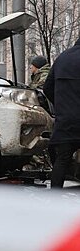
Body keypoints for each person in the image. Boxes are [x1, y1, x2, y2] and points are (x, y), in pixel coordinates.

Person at [43, 38, 80, 188]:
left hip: (66, 120)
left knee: (62, 159)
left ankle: (55, 199)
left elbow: (47, 88)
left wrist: (60, 105)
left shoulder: (62, 58)